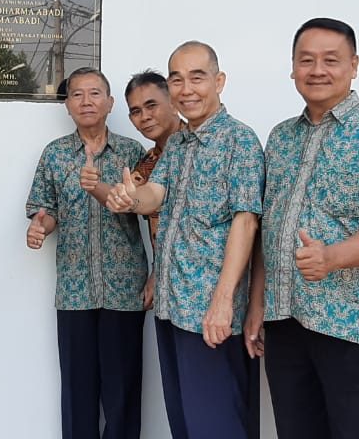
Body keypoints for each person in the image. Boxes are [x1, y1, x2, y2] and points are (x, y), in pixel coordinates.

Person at [255, 18, 359, 439]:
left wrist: (330, 258)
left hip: (354, 325)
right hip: (286, 320)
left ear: (354, 65)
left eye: (331, 60)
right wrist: (258, 306)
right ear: (292, 68)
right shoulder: (280, 139)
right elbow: (267, 232)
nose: (317, 70)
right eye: (306, 60)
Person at [106, 41, 264, 438]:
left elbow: (246, 224)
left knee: (217, 424)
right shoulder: (177, 143)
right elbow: (154, 195)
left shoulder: (239, 142)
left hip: (211, 314)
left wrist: (223, 302)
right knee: (186, 423)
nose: (187, 88)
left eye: (198, 77)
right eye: (177, 79)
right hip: (172, 307)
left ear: (219, 81)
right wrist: (129, 197)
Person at [24, 67, 148, 439]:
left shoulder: (132, 152)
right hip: (75, 292)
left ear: (111, 103)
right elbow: (45, 210)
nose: (86, 101)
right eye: (77, 94)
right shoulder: (55, 155)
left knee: (122, 392)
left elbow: (150, 210)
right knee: (77, 393)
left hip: (124, 290)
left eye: (95, 93)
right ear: (67, 105)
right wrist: (39, 227)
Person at [123, 69, 187, 260]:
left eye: (151, 106)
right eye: (136, 111)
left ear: (174, 103)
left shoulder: (203, 148)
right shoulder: (148, 164)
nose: (144, 117)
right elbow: (129, 198)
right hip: (166, 280)